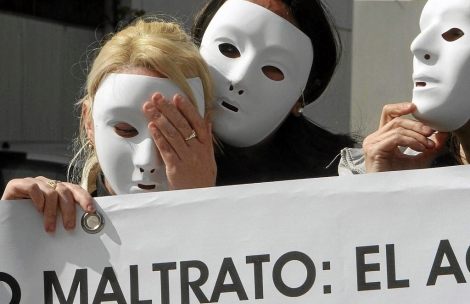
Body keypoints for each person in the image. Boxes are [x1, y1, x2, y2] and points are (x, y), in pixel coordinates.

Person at [1, 17, 216, 232]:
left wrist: (204, 208)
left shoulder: (246, 219)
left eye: (174, 133)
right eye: (125, 130)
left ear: (206, 125)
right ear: (89, 123)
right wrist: (11, 234)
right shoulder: (55, 220)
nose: (147, 160)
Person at [190, 0, 356, 185]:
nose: (238, 78)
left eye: (273, 67)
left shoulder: (343, 172)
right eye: (228, 48)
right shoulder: (153, 147)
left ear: (302, 95)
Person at [339, 0, 469, 175]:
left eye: (454, 33)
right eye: (424, 30)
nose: (417, 46)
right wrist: (388, 187)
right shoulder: (388, 165)